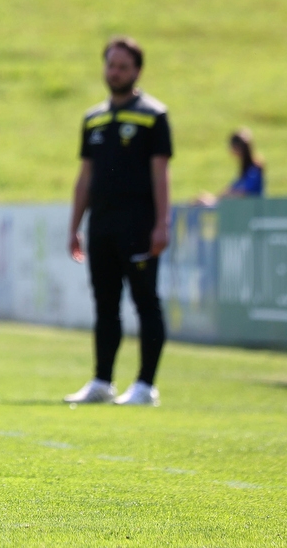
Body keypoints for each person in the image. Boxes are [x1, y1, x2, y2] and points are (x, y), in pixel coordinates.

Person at [65, 36, 172, 407]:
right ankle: (102, 381)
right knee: (105, 304)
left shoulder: (153, 116)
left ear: (137, 71)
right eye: (111, 65)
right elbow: (85, 177)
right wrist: (75, 225)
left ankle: (145, 385)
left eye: (123, 67)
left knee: (146, 302)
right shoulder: (93, 118)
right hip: (102, 225)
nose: (115, 72)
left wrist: (162, 224)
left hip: (139, 223)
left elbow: (161, 175)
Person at [195, 128, 264, 206]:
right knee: (201, 200)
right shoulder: (246, 170)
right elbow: (232, 189)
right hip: (241, 208)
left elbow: (244, 192)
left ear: (238, 148)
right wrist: (214, 198)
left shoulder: (253, 170)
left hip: (250, 210)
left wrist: (217, 200)